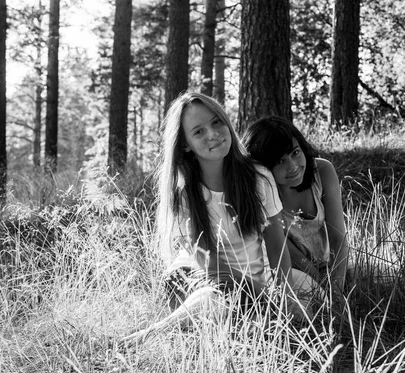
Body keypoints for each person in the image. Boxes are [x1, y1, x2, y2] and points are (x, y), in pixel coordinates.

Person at [122, 93, 315, 345]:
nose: (213, 134)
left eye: (216, 122)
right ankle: (148, 335)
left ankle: (238, 320)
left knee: (313, 298)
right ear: (185, 144)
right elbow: (208, 263)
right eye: (199, 131)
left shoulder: (259, 177)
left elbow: (277, 246)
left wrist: (282, 295)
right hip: (200, 277)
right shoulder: (184, 192)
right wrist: (261, 294)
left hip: (253, 276)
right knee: (217, 299)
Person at [241, 116, 349, 300]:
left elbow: (338, 237)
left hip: (327, 263)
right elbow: (284, 249)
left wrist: (336, 289)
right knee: (310, 303)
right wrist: (320, 282)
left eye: (295, 153)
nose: (292, 167)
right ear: (262, 167)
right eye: (279, 161)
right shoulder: (260, 190)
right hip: (288, 268)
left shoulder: (322, 171)